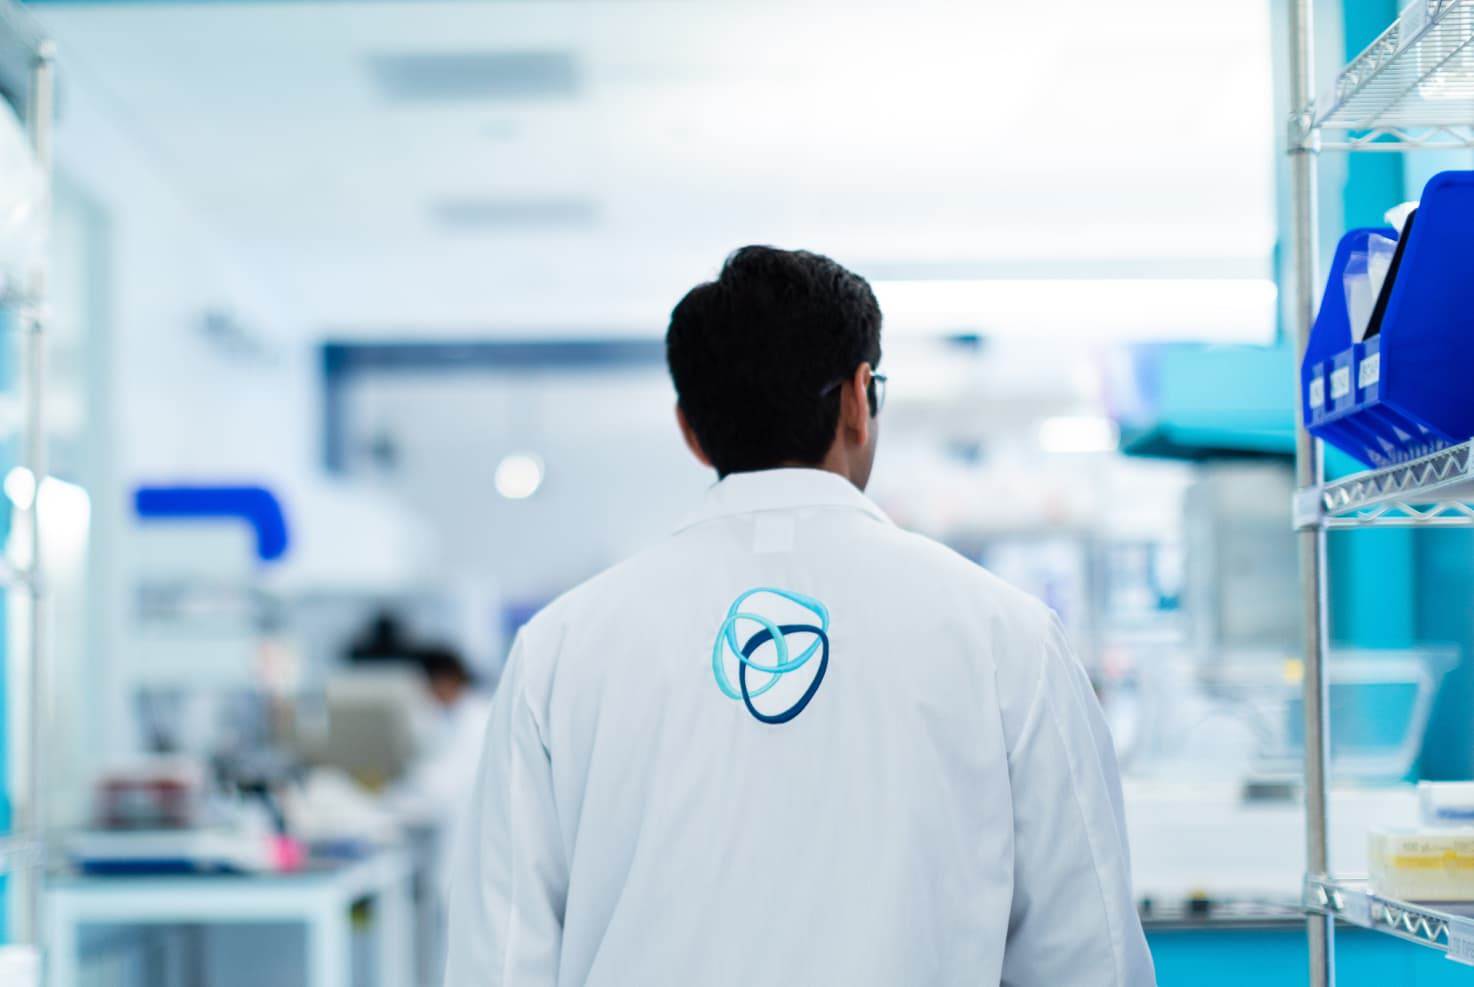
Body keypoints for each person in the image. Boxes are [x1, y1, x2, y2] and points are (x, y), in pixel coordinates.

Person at [445, 246, 1155, 986]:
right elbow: (1088, 956)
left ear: (690, 429)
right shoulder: (1008, 638)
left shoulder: (560, 652)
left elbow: (499, 963)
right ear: (857, 398)